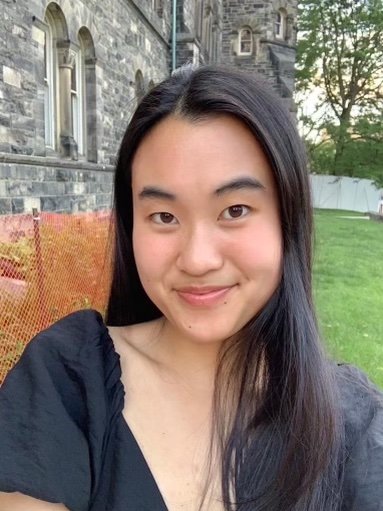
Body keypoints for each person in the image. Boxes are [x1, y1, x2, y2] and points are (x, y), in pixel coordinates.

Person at [0, 65, 382, 511]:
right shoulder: (67, 381)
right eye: (164, 217)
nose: (198, 259)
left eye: (235, 209)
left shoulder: (353, 424)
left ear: (287, 217)